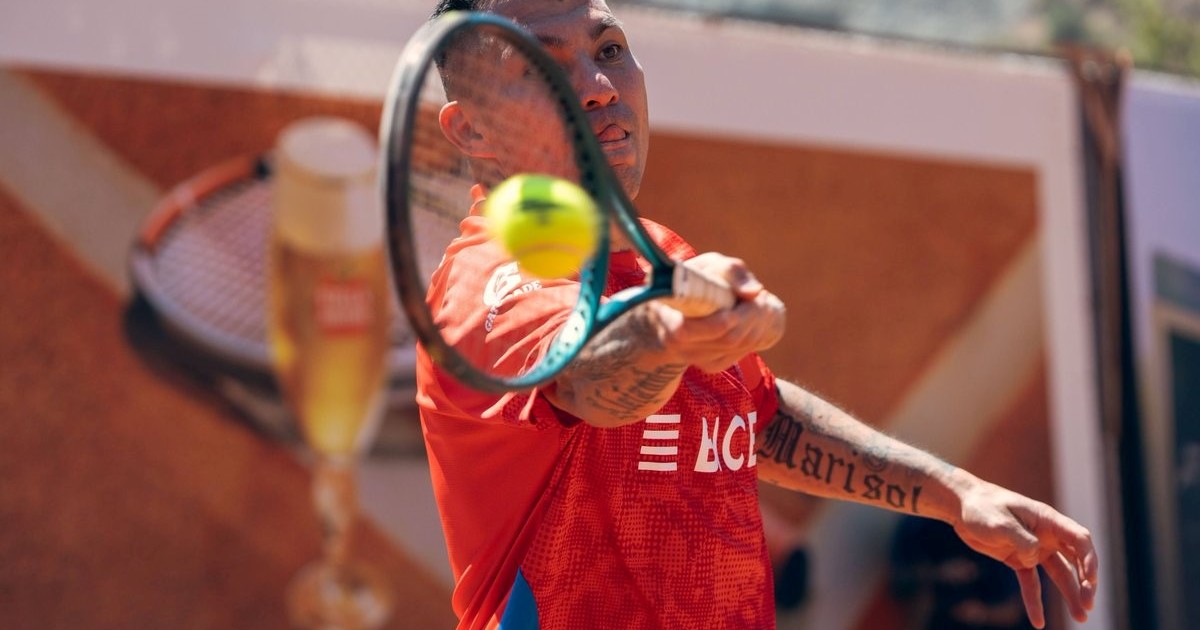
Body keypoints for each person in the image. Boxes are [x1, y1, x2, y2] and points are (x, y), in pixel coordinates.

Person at [414, 0, 1100, 628]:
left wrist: (953, 493)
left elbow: (756, 416)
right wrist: (670, 329)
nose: (597, 86)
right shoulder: (488, 278)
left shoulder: (659, 252)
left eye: (610, 50)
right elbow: (588, 382)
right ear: (472, 128)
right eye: (543, 66)